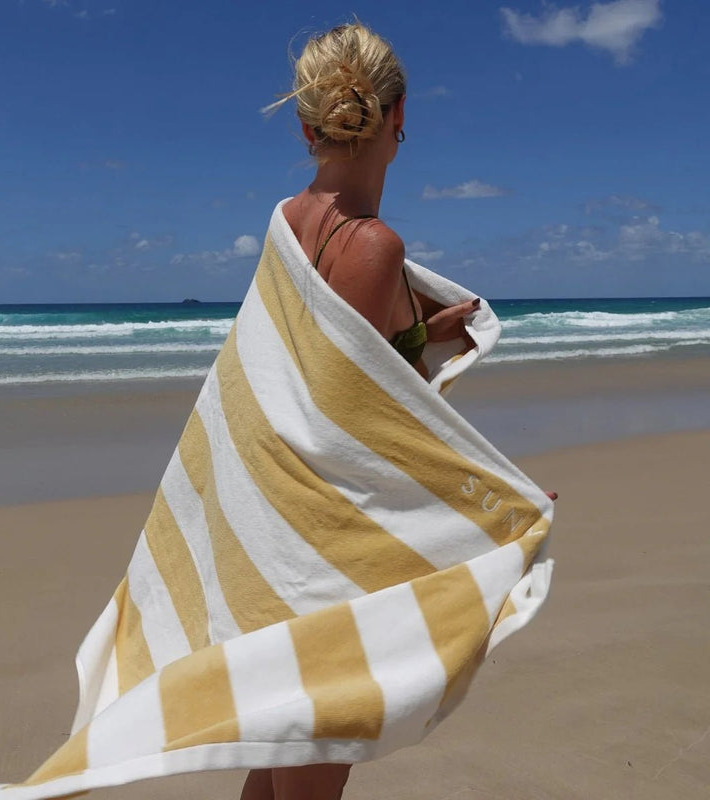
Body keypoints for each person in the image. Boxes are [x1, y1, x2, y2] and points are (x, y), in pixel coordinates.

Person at [239, 22, 487, 800]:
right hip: (325, 553)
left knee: (277, 759)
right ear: (401, 114)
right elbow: (358, 427)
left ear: (307, 125)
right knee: (312, 759)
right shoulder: (374, 246)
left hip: (272, 524)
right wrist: (490, 506)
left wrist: (415, 330)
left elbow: (317, 368)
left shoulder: (287, 218)